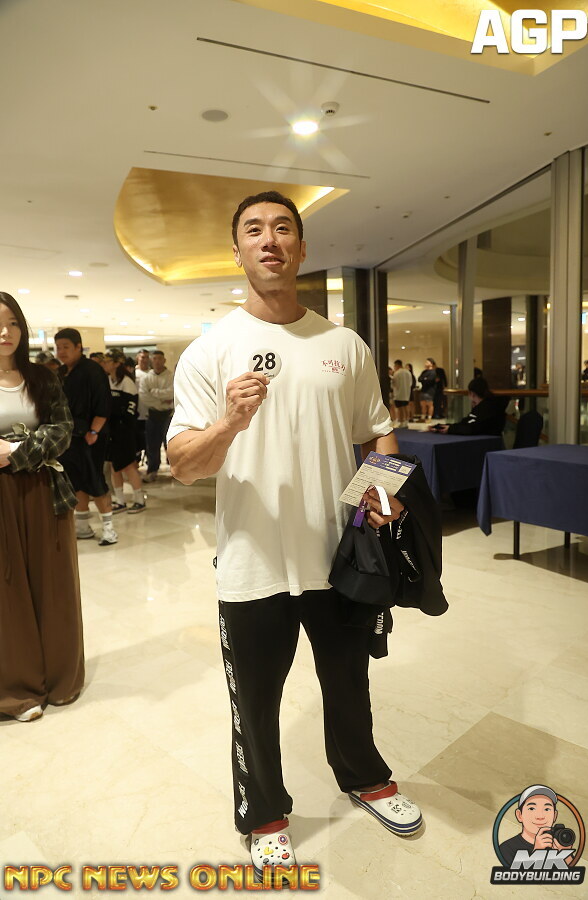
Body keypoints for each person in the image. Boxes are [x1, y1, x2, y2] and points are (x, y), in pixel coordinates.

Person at [167, 190, 423, 880]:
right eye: (254, 230)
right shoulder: (211, 351)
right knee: (254, 700)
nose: (269, 239)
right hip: (251, 562)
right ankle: (264, 815)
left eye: (283, 228)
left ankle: (365, 778)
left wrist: (379, 495)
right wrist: (229, 423)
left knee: (349, 682)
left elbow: (377, 431)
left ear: (302, 249)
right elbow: (183, 464)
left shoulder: (343, 345)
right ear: (238, 251)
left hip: (338, 556)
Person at [0, 292, 84, 723]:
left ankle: (59, 677)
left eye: (13, 322)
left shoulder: (42, 378)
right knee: (7, 590)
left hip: (44, 491)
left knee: (54, 585)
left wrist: (15, 452)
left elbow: (63, 429)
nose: (5, 332)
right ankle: (17, 689)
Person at [54, 328, 118, 545]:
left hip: (90, 435)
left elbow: (103, 404)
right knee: (76, 482)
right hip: (69, 437)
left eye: (66, 347)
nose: (61, 351)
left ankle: (109, 529)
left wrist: (94, 431)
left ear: (78, 347)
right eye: (58, 347)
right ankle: (83, 526)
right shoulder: (63, 372)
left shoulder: (92, 370)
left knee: (95, 481)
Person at [102, 349, 146, 514]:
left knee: (128, 466)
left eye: (108, 361)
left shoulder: (127, 382)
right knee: (114, 467)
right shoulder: (108, 380)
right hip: (111, 431)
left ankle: (139, 500)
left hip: (125, 431)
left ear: (116, 363)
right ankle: (120, 501)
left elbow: (131, 408)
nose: (105, 364)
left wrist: (122, 424)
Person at [499, 785, 575, 867]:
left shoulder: (558, 843)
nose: (540, 816)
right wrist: (537, 852)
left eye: (547, 809)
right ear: (519, 815)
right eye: (532, 808)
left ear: (555, 816)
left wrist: (565, 854)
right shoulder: (507, 848)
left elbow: (573, 873)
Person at [140, 350, 174, 483]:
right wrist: (162, 400)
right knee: (152, 445)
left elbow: (172, 393)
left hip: (168, 414)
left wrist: (154, 392)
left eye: (160, 358)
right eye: (154, 358)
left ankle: (176, 470)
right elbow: (144, 397)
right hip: (153, 414)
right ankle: (152, 470)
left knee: (170, 444)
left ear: (164, 360)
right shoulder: (146, 378)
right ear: (151, 360)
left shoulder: (171, 376)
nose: (157, 361)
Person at [429, 376, 506, 436]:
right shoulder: (486, 406)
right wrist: (444, 426)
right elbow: (467, 423)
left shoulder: (486, 408)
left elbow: (472, 427)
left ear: (472, 394)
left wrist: (451, 429)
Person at [391, 359, 412, 428]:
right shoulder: (408, 372)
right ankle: (406, 421)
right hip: (407, 393)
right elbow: (410, 383)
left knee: (400, 409)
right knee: (405, 407)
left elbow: (395, 384)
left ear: (397, 365)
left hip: (399, 394)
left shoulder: (397, 373)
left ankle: (402, 422)